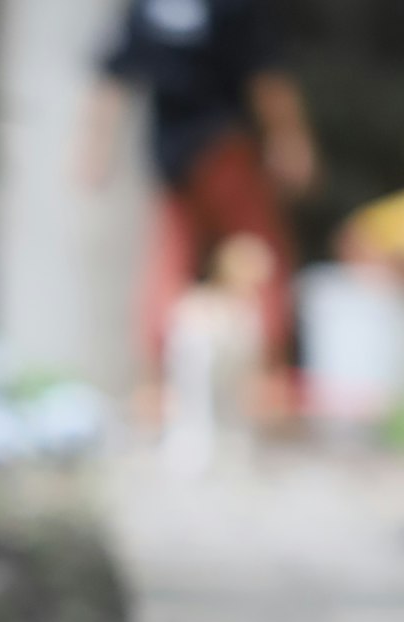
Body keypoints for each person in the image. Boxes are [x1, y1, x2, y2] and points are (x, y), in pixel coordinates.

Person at [78, 0, 318, 389]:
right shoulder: (231, 7)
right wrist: (290, 140)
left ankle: (157, 382)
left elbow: (112, 78)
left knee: (170, 263)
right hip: (225, 147)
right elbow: (266, 76)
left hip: (172, 157)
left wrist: (93, 151)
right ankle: (269, 376)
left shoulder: (149, 8)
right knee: (258, 254)